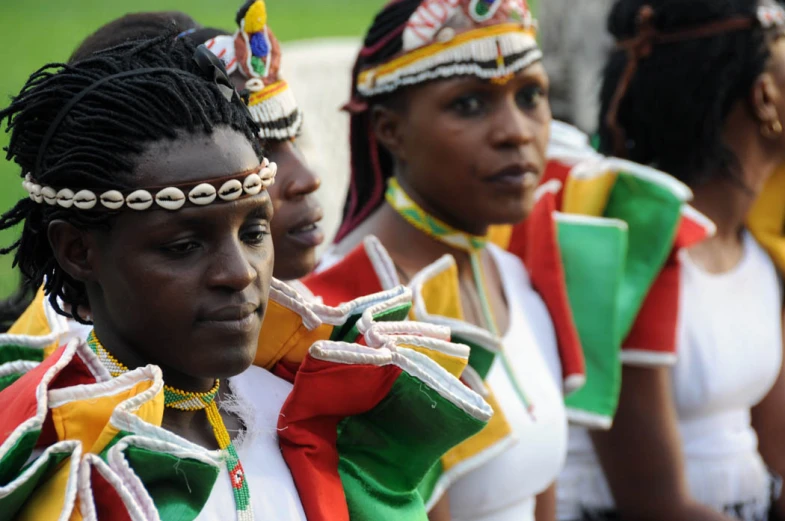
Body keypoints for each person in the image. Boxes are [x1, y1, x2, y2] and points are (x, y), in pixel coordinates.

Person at [0, 33, 491, 521]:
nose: (239, 273)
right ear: (78, 250)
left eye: (254, 231)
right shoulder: (60, 461)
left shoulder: (312, 405)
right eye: (184, 246)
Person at [302, 1, 568, 519]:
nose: (516, 131)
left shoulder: (510, 269)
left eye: (531, 95)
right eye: (469, 104)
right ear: (389, 130)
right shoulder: (354, 319)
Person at [557, 1, 785, 520]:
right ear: (764, 99)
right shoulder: (641, 251)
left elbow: (779, 455)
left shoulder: (754, 252)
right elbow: (655, 504)